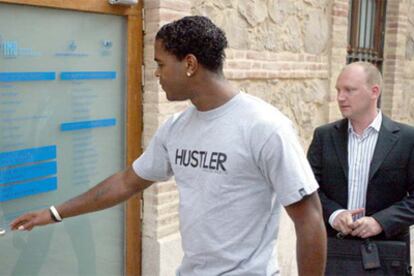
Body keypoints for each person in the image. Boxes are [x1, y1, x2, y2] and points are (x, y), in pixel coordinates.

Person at [11, 16, 326, 275]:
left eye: (161, 64)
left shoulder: (266, 128)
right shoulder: (176, 128)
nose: (156, 74)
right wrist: (53, 212)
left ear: (189, 64)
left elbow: (309, 218)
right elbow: (126, 182)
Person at [307, 61, 414, 274]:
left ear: (375, 91)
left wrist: (379, 222)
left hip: (386, 255)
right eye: (338, 90)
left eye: (349, 90)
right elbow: (308, 188)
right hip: (333, 253)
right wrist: (334, 214)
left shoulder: (407, 139)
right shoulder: (324, 136)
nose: (340, 97)